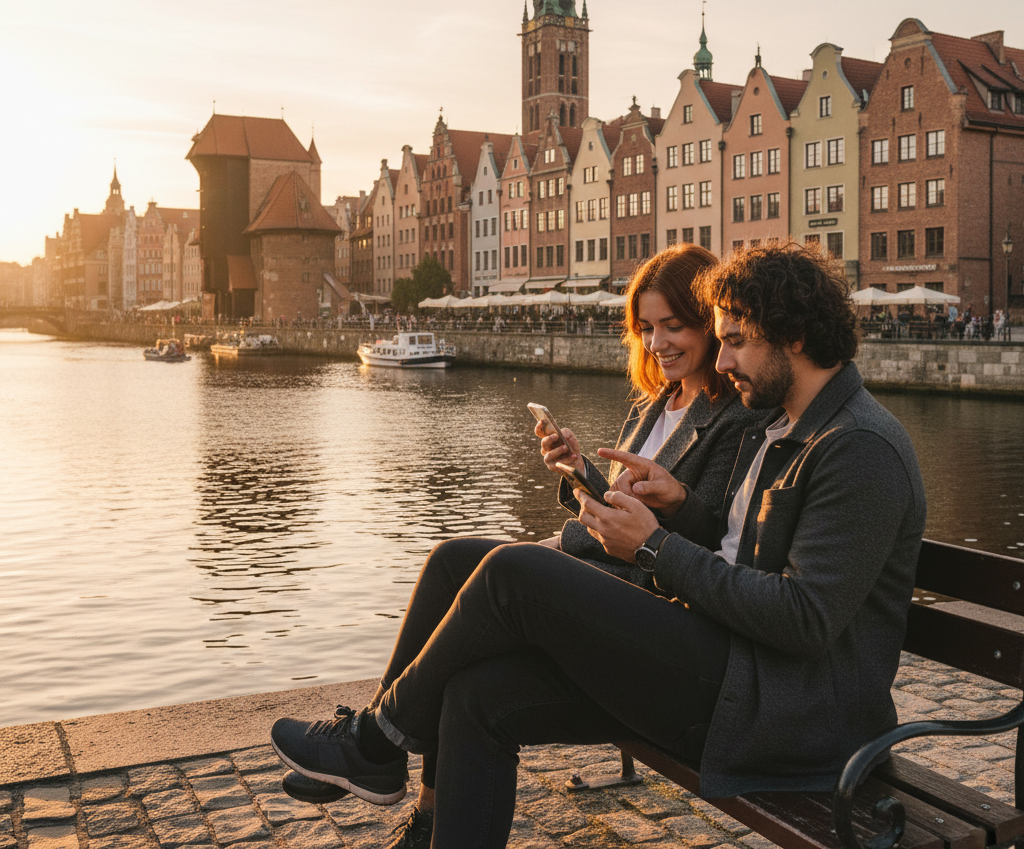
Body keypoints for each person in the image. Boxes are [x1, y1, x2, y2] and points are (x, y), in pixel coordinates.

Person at [270, 243, 926, 849]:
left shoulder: (856, 448)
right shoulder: (789, 425)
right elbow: (741, 559)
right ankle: (402, 784)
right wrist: (678, 507)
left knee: (512, 572)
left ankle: (377, 740)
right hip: (733, 667)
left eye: (735, 343)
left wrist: (655, 548)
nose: (722, 362)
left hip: (782, 713)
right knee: (477, 692)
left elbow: (805, 620)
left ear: (796, 335)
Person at [537, 243, 760, 591]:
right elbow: (617, 507)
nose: (656, 344)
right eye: (646, 328)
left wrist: (678, 502)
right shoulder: (652, 403)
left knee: (494, 565)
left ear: (709, 325)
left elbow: (720, 540)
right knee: (455, 557)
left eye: (672, 327)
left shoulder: (738, 415)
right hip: (603, 564)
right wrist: (576, 469)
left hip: (648, 587)